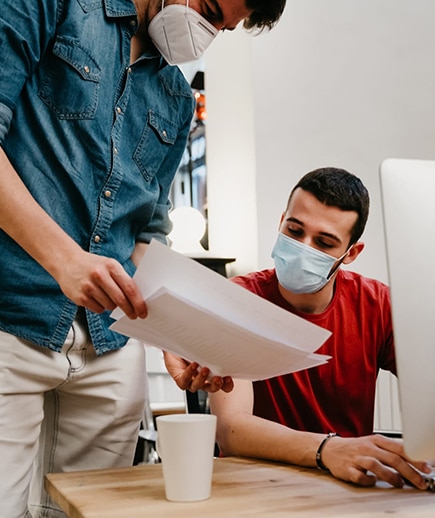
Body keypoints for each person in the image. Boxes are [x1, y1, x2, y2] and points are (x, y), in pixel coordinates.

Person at [0, 1, 286, 516]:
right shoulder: (56, 7)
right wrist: (65, 260)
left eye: (222, 27)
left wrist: (173, 334)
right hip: (11, 311)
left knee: (93, 509)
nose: (205, 33)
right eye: (209, 9)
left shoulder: (176, 97)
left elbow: (146, 234)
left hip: (110, 345)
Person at [166, 167, 432, 490]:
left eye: (324, 242)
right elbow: (232, 430)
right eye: (294, 231)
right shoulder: (239, 299)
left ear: (351, 253)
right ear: (281, 222)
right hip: (251, 487)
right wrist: (328, 450)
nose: (304, 247)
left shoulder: (377, 304)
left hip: (348, 486)